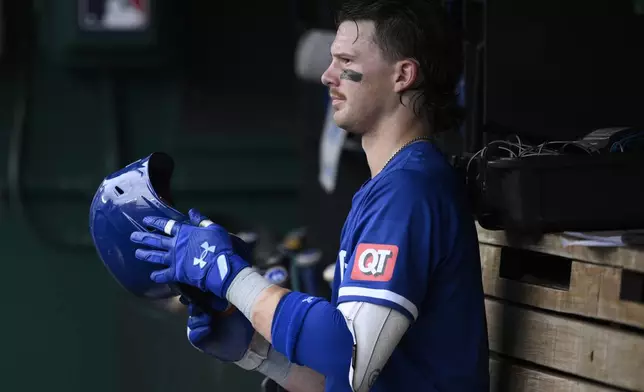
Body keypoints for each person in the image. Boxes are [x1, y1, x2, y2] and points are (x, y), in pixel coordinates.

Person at [128, 0, 489, 390]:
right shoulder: (391, 185)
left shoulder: (408, 191)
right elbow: (346, 379)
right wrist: (256, 351)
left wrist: (231, 277)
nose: (327, 76)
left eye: (345, 60)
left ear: (403, 74)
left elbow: (347, 355)